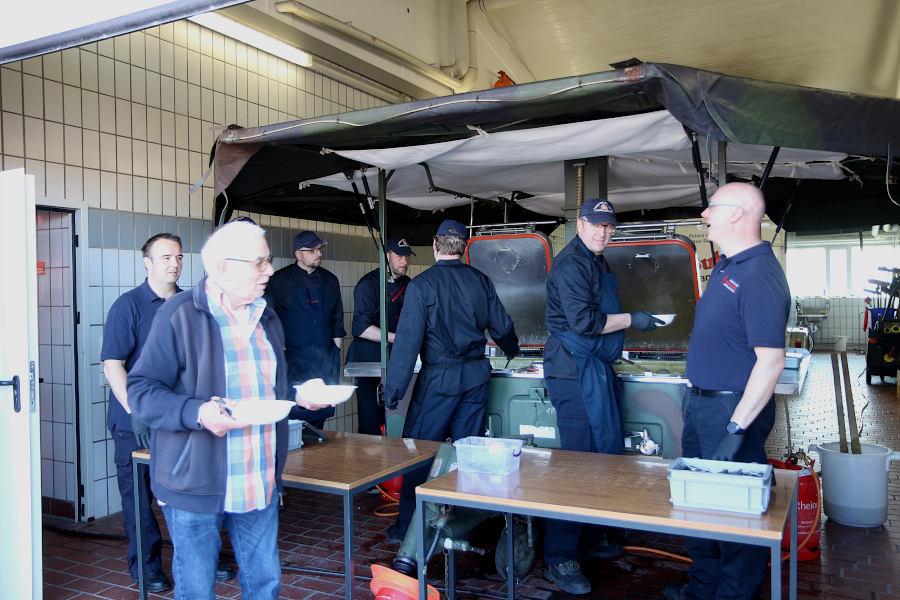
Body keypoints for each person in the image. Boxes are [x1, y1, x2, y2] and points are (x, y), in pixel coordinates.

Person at [127, 220, 327, 599]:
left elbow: (266, 390)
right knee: (198, 589)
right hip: (195, 483)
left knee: (264, 584)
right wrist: (197, 413)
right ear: (222, 268)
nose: (269, 270)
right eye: (260, 263)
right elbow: (141, 391)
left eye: (268, 261)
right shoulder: (179, 315)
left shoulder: (267, 316)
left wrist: (299, 395)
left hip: (258, 478)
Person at [665, 183, 789, 600]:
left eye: (712, 207)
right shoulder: (727, 266)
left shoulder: (760, 276)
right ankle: (703, 588)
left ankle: (732, 594)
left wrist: (735, 429)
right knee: (700, 504)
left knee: (736, 513)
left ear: (738, 214)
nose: (704, 214)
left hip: (731, 411)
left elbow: (770, 362)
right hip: (702, 405)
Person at [541, 199, 662, 595]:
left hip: (592, 366)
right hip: (572, 369)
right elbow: (586, 322)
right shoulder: (573, 263)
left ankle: (592, 535)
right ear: (579, 223)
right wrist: (635, 320)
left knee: (601, 454)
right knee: (577, 460)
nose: (603, 233)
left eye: (609, 227)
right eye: (596, 225)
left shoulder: (596, 260)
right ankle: (560, 556)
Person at [382, 219, 520, 542]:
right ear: (465, 247)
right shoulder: (481, 282)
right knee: (466, 457)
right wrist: (513, 349)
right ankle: (462, 528)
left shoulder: (422, 286)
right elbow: (502, 327)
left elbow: (406, 344)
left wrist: (393, 392)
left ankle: (409, 529)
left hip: (438, 380)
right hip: (475, 379)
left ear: (435, 245)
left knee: (421, 454)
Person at [100, 233, 181, 593]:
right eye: (165, 257)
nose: (174, 263)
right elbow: (112, 364)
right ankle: (146, 569)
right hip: (134, 422)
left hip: (177, 418)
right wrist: (137, 409)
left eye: (178, 257)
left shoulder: (190, 304)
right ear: (147, 262)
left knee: (185, 493)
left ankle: (197, 559)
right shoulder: (128, 305)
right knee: (139, 498)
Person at [265, 230, 345, 428]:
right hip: (293, 359)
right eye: (312, 250)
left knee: (321, 411)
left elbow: (337, 318)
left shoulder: (330, 280)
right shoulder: (278, 281)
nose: (318, 254)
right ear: (298, 254)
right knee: (295, 411)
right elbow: (270, 320)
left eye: (319, 249)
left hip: (324, 358)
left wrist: (335, 350)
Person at [346, 236, 414, 435]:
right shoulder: (369, 285)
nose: (404, 261)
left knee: (397, 417)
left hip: (396, 361)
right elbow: (360, 327)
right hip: (368, 361)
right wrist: (397, 338)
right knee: (371, 422)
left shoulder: (409, 284)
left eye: (407, 256)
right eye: (399, 256)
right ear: (387, 256)